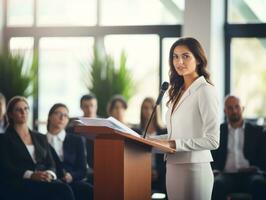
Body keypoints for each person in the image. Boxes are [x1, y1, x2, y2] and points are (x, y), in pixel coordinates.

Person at [149, 37, 220, 200]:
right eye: (175, 56)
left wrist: (173, 144)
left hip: (195, 169)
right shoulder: (176, 92)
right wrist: (147, 141)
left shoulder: (205, 91)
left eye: (185, 56)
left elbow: (213, 140)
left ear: (199, 60)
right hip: (173, 167)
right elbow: (176, 135)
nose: (179, 61)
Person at [0, 96, 75, 200]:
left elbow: (51, 163)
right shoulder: (4, 139)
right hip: (21, 181)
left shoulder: (40, 137)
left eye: (26, 108)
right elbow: (6, 167)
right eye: (18, 109)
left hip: (44, 179)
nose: (23, 112)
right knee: (62, 190)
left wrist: (49, 174)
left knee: (65, 188)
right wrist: (31, 175)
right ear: (11, 114)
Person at [211, 95, 266, 200]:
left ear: (243, 108)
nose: (234, 111)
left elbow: (262, 156)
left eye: (237, 107)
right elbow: (212, 155)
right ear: (224, 111)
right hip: (226, 175)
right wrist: (215, 170)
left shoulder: (257, 131)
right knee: (217, 184)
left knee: (260, 184)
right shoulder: (218, 131)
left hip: (251, 175)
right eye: (230, 108)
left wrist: (256, 168)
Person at [47, 103, 93, 200]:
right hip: (49, 181)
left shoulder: (77, 140)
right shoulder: (40, 139)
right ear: (50, 117)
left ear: (68, 120)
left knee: (90, 190)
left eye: (65, 115)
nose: (62, 117)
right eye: (58, 113)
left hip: (72, 181)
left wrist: (71, 176)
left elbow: (83, 169)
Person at [135, 97, 167, 194]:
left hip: (162, 174)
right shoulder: (136, 131)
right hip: (140, 173)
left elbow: (167, 157)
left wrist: (157, 171)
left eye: (151, 107)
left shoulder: (164, 131)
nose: (148, 111)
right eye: (145, 108)